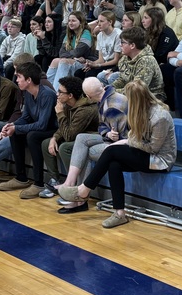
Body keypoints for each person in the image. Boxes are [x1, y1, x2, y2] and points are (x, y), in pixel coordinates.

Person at [58, 81, 176, 228]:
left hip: (159, 160)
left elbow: (153, 148)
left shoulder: (160, 117)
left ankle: (84, 189)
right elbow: (134, 135)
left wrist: (127, 142)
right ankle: (119, 213)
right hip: (143, 152)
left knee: (112, 151)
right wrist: (127, 140)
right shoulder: (137, 110)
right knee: (114, 164)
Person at [53, 77, 129, 209]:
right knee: (81, 138)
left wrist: (111, 135)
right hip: (111, 138)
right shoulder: (103, 99)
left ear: (88, 96)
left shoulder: (113, 106)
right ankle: (70, 183)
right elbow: (102, 127)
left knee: (88, 151)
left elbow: (121, 136)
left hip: (125, 143)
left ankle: (80, 199)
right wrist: (107, 133)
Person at [0, 61, 58, 198]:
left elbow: (43, 124)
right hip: (40, 128)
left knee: (32, 135)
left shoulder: (47, 94)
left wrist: (17, 128)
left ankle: (39, 183)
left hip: (53, 130)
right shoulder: (28, 93)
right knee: (16, 134)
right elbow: (26, 117)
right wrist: (11, 125)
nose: (16, 80)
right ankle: (21, 177)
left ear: (29, 80)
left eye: (19, 77)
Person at [36, 76, 99, 199]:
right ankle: (55, 180)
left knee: (65, 147)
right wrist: (54, 138)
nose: (57, 94)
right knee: (46, 143)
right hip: (77, 134)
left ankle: (73, 186)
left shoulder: (85, 110)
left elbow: (69, 135)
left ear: (70, 95)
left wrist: (59, 114)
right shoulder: (67, 105)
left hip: (90, 137)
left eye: (60, 92)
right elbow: (65, 127)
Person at [106, 26, 166, 101]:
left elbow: (137, 89)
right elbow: (123, 79)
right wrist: (109, 88)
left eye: (123, 43)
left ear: (132, 45)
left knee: (113, 102)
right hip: (132, 93)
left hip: (151, 96)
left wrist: (112, 93)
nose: (120, 45)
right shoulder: (124, 58)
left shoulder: (146, 61)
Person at [47, 11, 94, 89]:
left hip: (85, 63)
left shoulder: (86, 33)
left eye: (73, 21)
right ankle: (48, 89)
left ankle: (57, 92)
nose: (70, 23)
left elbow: (78, 52)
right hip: (75, 60)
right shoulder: (70, 34)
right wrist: (74, 58)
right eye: (69, 21)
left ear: (81, 22)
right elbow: (61, 53)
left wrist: (73, 57)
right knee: (55, 61)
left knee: (64, 61)